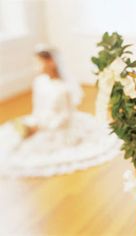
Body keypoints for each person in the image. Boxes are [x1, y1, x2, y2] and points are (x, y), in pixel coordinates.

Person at [0, 44, 120, 177]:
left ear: (51, 62)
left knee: (34, 150)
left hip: (57, 127)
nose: (35, 67)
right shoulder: (39, 81)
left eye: (39, 63)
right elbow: (38, 108)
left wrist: (41, 127)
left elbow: (64, 118)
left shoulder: (63, 89)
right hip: (42, 120)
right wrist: (34, 122)